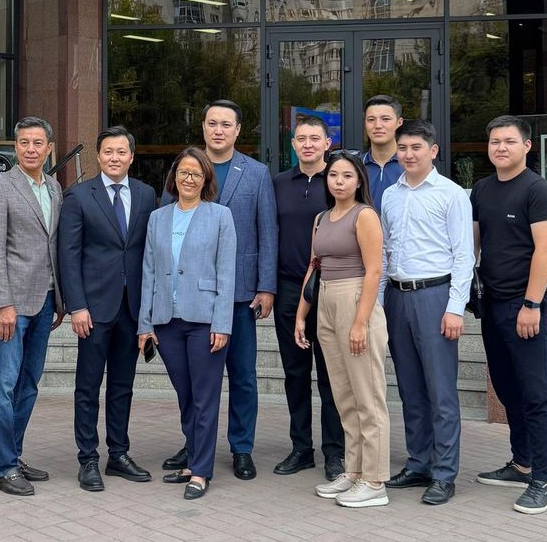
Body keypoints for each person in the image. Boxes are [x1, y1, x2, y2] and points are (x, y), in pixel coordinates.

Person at [162, 99, 277, 482]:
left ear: (238, 130)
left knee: (242, 375)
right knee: (194, 380)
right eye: (212, 123)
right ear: (203, 127)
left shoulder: (256, 173)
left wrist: (266, 286)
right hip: (190, 297)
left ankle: (241, 448)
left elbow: (267, 231)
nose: (218, 130)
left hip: (240, 294)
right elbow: (167, 228)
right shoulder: (185, 168)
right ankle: (195, 444)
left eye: (226, 124)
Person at [472, 115, 547, 515]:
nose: (501, 147)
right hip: (493, 304)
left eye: (509, 141)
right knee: (508, 389)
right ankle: (521, 463)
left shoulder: (539, 191)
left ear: (526, 146)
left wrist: (532, 304)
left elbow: (546, 251)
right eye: (495, 141)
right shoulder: (482, 189)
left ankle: (542, 480)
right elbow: (474, 245)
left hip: (529, 306)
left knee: (537, 394)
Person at [381, 119, 474, 506]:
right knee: (410, 389)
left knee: (440, 391)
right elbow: (385, 253)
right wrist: (379, 303)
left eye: (416, 147)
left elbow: (464, 255)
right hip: (397, 297)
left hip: (435, 297)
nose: (408, 154)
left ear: (433, 151)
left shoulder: (451, 194)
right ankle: (418, 463)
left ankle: (444, 473)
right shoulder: (390, 195)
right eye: (402, 148)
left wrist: (455, 308)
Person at [58, 126, 156, 491]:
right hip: (93, 309)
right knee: (87, 387)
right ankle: (87, 458)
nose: (114, 158)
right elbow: (68, 256)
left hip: (131, 308)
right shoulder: (79, 196)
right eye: (108, 152)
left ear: (131, 157)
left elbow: (148, 252)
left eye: (121, 152)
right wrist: (77, 306)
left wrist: (149, 310)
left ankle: (119, 454)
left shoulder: (146, 194)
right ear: (98, 156)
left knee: (122, 385)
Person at [139, 147, 236, 500]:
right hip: (167, 320)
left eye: (196, 173)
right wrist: (144, 324)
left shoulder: (220, 216)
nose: (189, 179)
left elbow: (226, 274)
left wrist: (222, 323)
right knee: (186, 396)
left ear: (206, 178)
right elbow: (149, 272)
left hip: (204, 320)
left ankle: (201, 471)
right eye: (183, 173)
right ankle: (193, 458)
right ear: (174, 177)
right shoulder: (158, 218)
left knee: (205, 398)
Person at [295, 150, 390, 508]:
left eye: (347, 176)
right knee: (344, 397)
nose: (339, 181)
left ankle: (375, 481)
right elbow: (314, 265)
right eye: (334, 175)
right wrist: (301, 315)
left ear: (359, 180)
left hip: (355, 300)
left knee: (368, 397)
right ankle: (354, 470)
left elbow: (374, 270)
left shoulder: (364, 215)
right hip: (326, 302)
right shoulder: (321, 218)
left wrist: (360, 322)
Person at [0, 117, 63, 497]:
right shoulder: (0, 187)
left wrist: (59, 298)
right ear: (15, 148)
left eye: (38, 143)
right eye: (24, 142)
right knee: (4, 385)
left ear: (49, 148)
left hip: (45, 300)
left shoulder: (54, 187)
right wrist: (2, 304)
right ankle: (3, 467)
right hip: (12, 305)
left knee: (28, 384)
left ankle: (12, 454)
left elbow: (52, 246)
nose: (31, 149)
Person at [271, 115, 345, 480]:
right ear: (293, 143)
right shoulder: (278, 183)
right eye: (301, 138)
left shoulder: (339, 180)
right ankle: (301, 448)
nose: (308, 144)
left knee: (332, 375)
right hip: (288, 288)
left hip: (331, 287)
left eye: (315, 138)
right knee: (295, 373)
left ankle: (335, 452)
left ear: (327, 144)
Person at [361, 95, 404, 211]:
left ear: (399, 122)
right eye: (371, 120)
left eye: (385, 119)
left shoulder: (410, 165)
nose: (378, 126)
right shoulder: (356, 166)